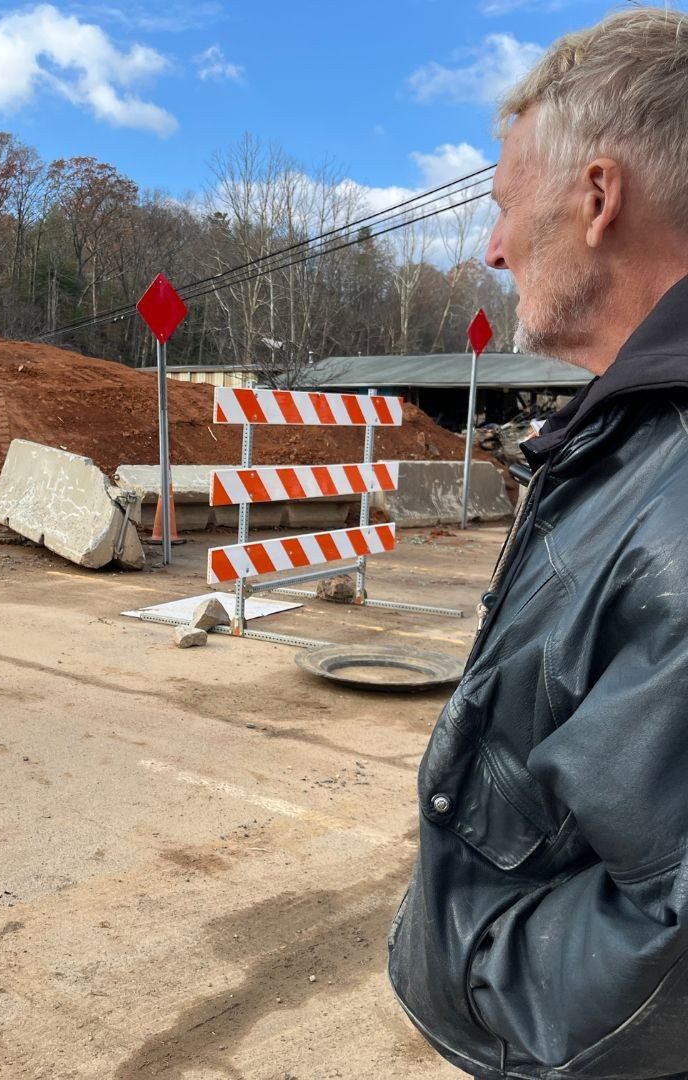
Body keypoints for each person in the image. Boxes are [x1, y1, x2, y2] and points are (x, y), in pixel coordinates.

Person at [389, 8, 688, 1080]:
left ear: (600, 199)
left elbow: (670, 943)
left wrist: (466, 966)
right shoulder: (629, 440)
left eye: (507, 207)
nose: (494, 246)